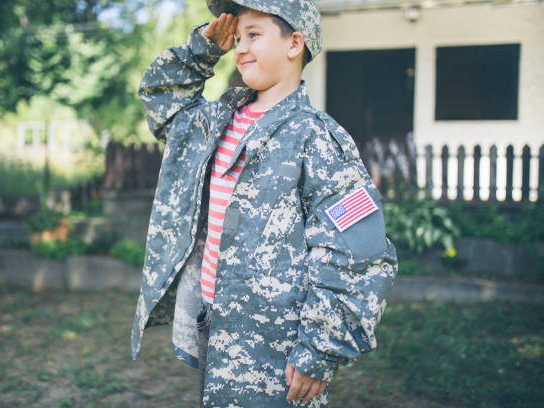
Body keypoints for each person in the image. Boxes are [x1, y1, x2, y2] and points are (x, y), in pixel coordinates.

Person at [130, 0, 398, 406]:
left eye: (254, 34)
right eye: (237, 38)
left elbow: (358, 256)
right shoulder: (213, 122)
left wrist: (320, 350)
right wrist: (204, 49)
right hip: (215, 334)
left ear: (294, 44)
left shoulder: (317, 139)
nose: (239, 48)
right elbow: (160, 97)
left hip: (279, 356)